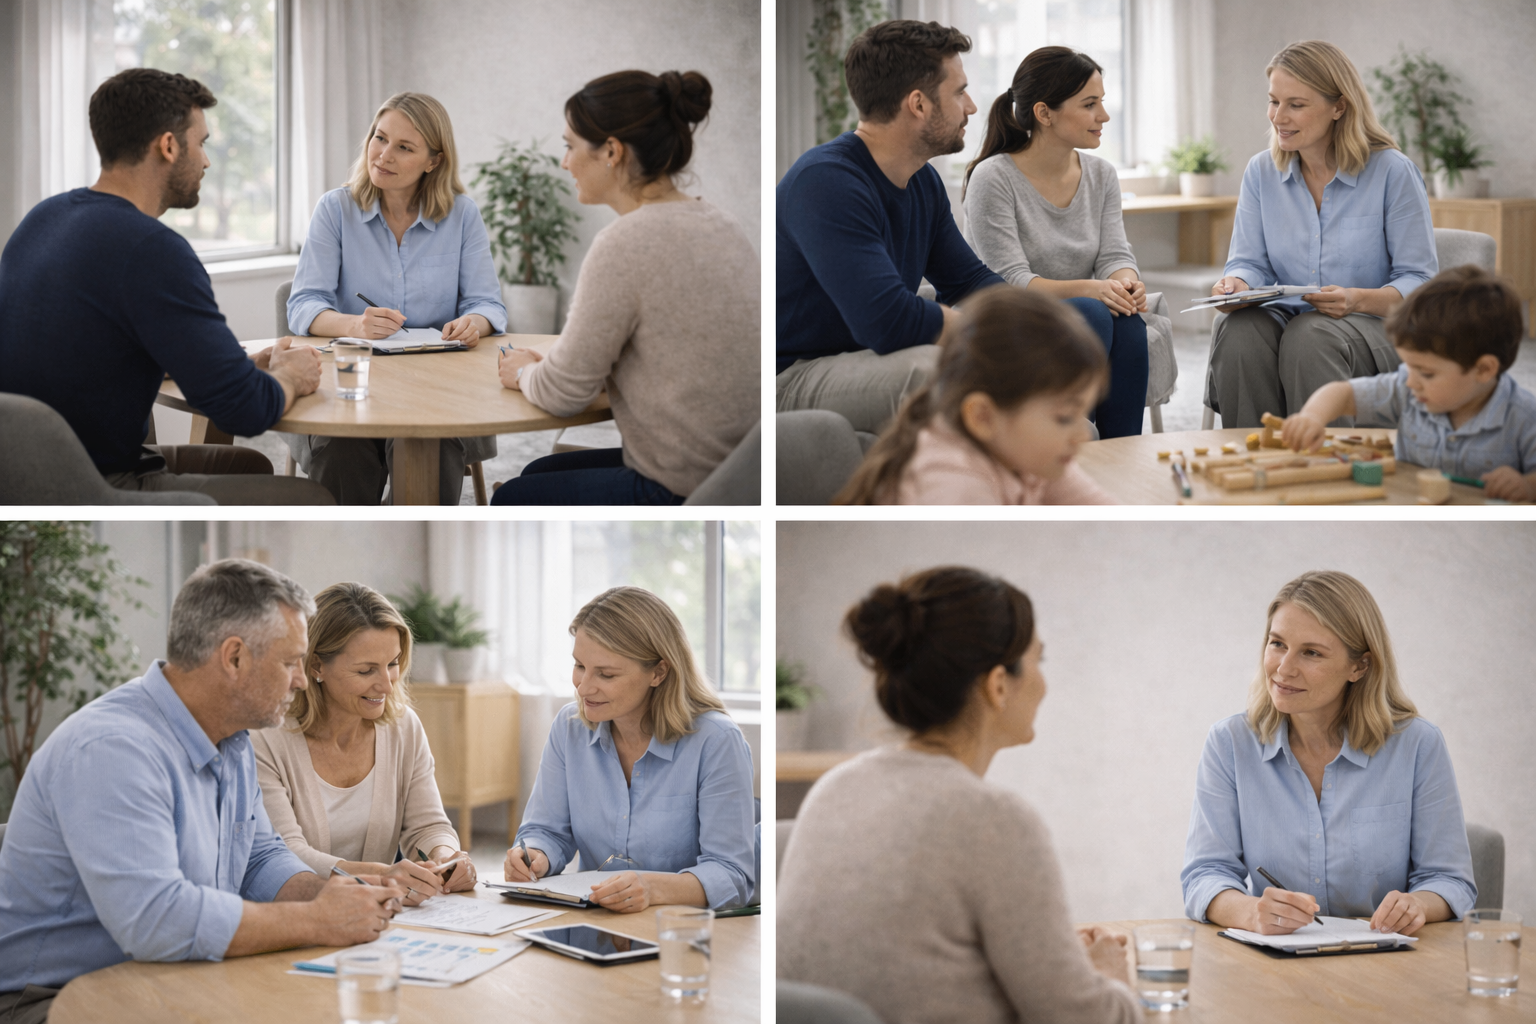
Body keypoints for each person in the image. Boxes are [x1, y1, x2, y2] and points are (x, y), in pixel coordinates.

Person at [0, 560, 403, 1024]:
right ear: (234, 658)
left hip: (163, 978)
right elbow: (156, 920)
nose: (299, 679)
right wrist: (317, 920)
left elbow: (258, 859)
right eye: (290, 661)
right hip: (54, 1000)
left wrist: (335, 895)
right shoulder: (113, 749)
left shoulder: (230, 736)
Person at [777, 567, 1140, 1023]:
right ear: (998, 685)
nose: (1044, 682)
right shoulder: (997, 821)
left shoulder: (834, 788)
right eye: (1038, 661)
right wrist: (1110, 977)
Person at [0, 68, 331, 504]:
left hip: (25, 468)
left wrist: (238, 367)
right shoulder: (151, 249)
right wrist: (292, 375)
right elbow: (245, 412)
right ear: (169, 146)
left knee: (249, 465)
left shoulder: (44, 217)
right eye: (202, 143)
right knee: (313, 500)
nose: (207, 161)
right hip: (95, 481)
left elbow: (96, 345)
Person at [493, 70, 757, 505]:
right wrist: (552, 364)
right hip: (742, 469)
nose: (564, 163)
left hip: (686, 484)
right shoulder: (722, 223)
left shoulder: (625, 242)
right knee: (538, 470)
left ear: (611, 151)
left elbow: (562, 394)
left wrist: (522, 372)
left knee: (514, 497)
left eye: (569, 146)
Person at [1180, 570, 1476, 936]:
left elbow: (1450, 881)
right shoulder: (1229, 743)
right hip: (1275, 965)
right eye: (1277, 644)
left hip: (1386, 965)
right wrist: (1250, 911)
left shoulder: (1418, 744)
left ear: (1360, 666)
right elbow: (1204, 875)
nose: (1284, 669)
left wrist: (1417, 904)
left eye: (1311, 653)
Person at [776, 20, 1005, 433]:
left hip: (867, 360)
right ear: (918, 104)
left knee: (1056, 412)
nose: (971, 106)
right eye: (959, 92)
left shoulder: (922, 179)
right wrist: (976, 329)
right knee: (934, 370)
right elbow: (885, 321)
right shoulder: (826, 181)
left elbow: (969, 281)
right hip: (793, 376)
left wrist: (1040, 321)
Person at [286, 92, 508, 504]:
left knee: (432, 445)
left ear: (433, 160)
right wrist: (355, 325)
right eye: (379, 137)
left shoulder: (462, 215)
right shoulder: (335, 209)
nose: (383, 155)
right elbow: (303, 304)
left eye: (404, 147)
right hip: (350, 386)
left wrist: (472, 324)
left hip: (436, 388)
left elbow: (487, 305)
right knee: (342, 450)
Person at [1206, 40, 1437, 429]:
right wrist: (1235, 285)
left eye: (1296, 104)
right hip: (1292, 321)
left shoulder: (1392, 172)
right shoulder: (1261, 172)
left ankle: (1327, 467)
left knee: (1310, 334)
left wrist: (1356, 299)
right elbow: (1249, 261)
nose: (1278, 117)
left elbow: (1421, 283)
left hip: (1374, 329)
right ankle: (1254, 463)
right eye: (1274, 101)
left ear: (1339, 107)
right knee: (1240, 330)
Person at [503, 587, 755, 912]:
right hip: (595, 923)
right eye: (580, 666)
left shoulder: (717, 741)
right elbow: (546, 830)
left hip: (681, 934)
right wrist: (535, 854)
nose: (583, 686)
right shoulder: (569, 727)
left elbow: (733, 874)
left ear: (659, 672)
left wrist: (652, 887)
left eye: (606, 674)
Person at [963, 46, 1153, 439]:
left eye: (1101, 102)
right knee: (1094, 311)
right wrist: (1095, 290)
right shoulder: (992, 178)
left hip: (1085, 308)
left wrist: (1125, 282)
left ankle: (1121, 457)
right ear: (1044, 113)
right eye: (1089, 104)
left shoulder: (1101, 174)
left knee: (1128, 319)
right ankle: (1062, 447)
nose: (1104, 116)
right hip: (1007, 317)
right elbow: (1009, 280)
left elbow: (1114, 252)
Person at [252, 583, 476, 904]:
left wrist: (446, 857)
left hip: (375, 917)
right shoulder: (266, 737)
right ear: (316, 666)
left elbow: (428, 825)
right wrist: (380, 876)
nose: (386, 684)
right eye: (366, 670)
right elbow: (284, 853)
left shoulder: (403, 726)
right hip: (296, 914)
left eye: (393, 663)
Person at [836, 285, 1115, 504]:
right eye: (1066, 417)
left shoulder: (1029, 453)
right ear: (982, 417)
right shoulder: (952, 486)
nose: (1083, 434)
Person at [1281, 266, 1536, 501]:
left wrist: (1526, 485)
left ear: (1483, 370)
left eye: (1426, 373)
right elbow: (1343, 393)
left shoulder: (1524, 417)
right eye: (1408, 366)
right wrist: (1312, 417)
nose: (1411, 381)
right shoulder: (1407, 387)